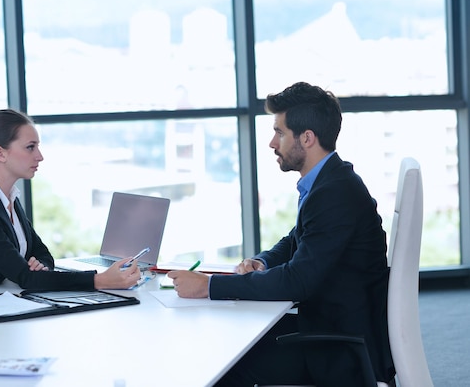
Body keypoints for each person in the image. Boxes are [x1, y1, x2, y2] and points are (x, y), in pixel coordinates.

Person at [168, 82, 395, 386]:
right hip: (326, 324)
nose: (273, 143)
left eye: (280, 132)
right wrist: (262, 261)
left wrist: (209, 286)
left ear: (307, 138)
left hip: (339, 350)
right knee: (228, 338)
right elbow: (295, 241)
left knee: (221, 364)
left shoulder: (333, 193)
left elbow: (297, 281)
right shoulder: (330, 181)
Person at [0, 109, 141, 312]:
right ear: (0, 153)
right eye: (30, 147)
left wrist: (41, 265)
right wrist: (101, 280)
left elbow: (41, 253)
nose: (39, 156)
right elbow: (25, 278)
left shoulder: (9, 197)